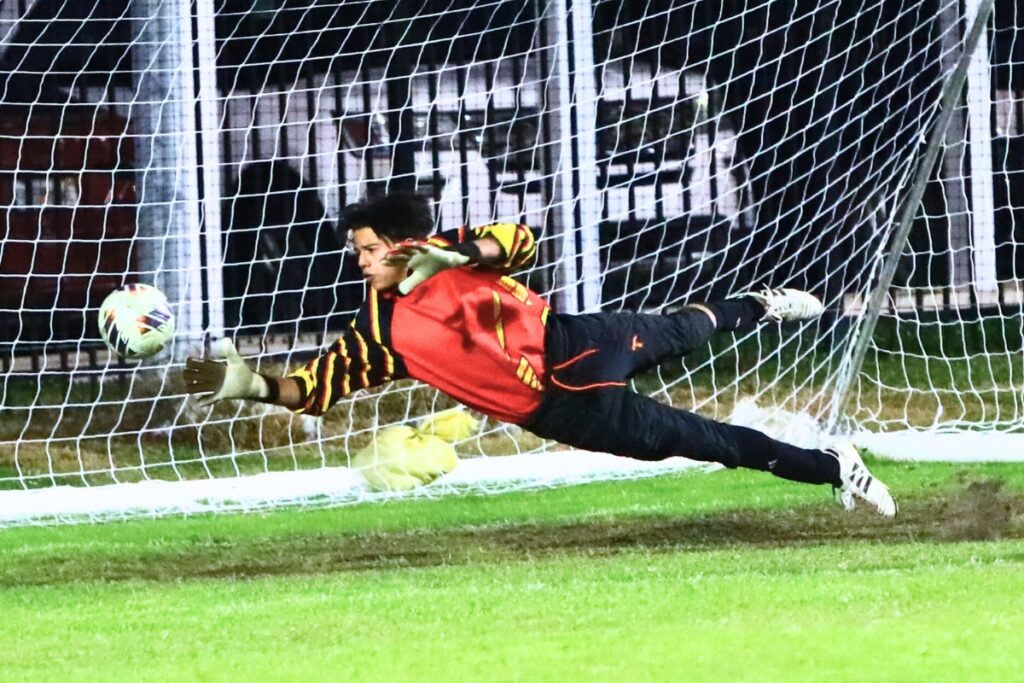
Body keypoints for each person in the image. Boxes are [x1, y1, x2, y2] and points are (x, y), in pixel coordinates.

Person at [183, 192, 897, 517]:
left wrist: (455, 253)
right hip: (558, 412)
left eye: (370, 250)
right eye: (358, 252)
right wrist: (245, 381)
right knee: (702, 439)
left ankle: (760, 303)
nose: (362, 262)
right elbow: (312, 387)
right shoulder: (376, 329)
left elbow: (520, 239)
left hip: (575, 341)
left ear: (401, 243)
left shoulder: (451, 255)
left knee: (685, 329)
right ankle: (836, 467)